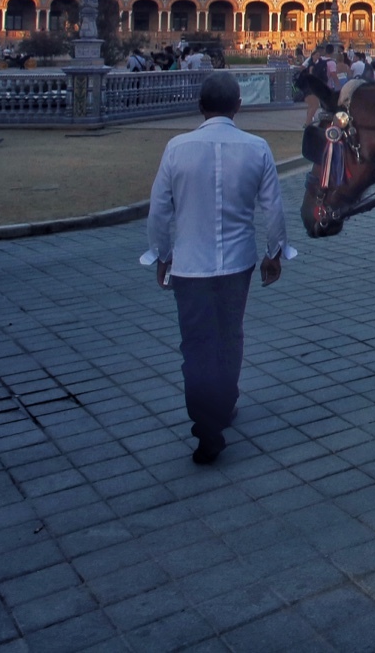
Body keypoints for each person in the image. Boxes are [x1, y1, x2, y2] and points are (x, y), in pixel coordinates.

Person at [143, 73, 290, 464]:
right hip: (237, 262)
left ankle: (206, 425)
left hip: (190, 264)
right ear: (238, 106)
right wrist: (274, 253)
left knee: (196, 346)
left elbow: (159, 210)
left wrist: (160, 254)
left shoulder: (177, 148)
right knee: (229, 335)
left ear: (200, 106)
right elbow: (273, 208)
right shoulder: (257, 147)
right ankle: (224, 404)